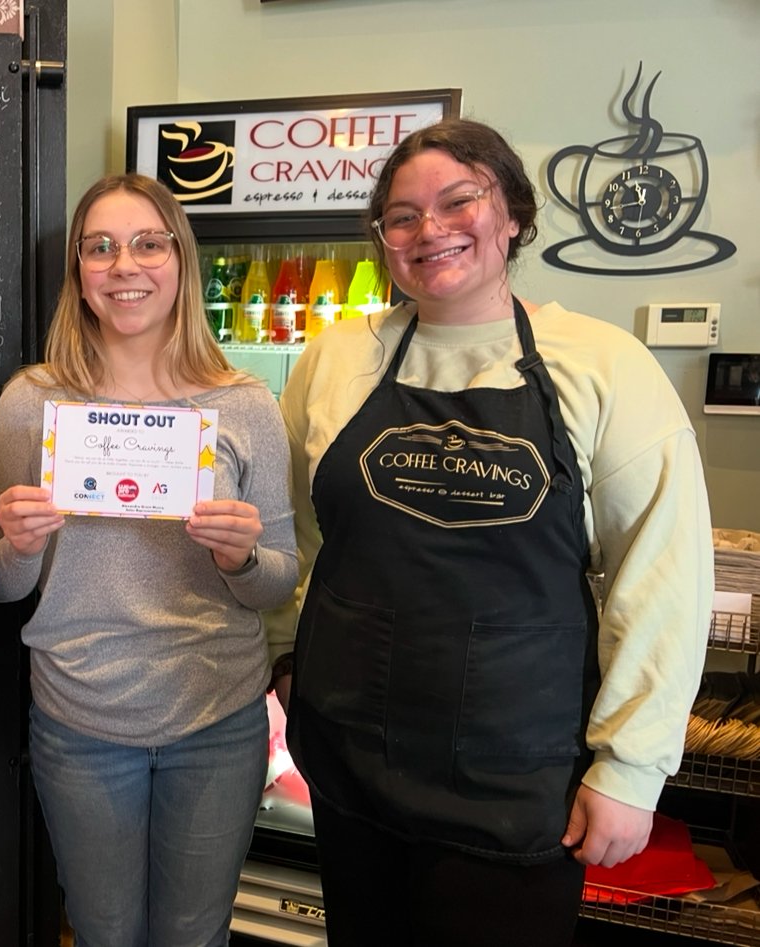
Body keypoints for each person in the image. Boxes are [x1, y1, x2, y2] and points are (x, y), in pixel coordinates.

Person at [267, 118, 714, 946]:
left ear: (512, 213)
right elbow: (295, 529)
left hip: (516, 774)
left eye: (458, 201)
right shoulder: (337, 358)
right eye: (402, 216)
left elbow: (664, 578)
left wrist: (630, 766)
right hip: (351, 760)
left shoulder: (604, 364)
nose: (429, 229)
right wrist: (286, 656)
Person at [0, 172, 298, 947]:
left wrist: (241, 558)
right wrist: (18, 545)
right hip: (80, 717)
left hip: (216, 715)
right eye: (101, 247)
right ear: (80, 271)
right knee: (103, 931)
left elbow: (280, 579)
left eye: (148, 243)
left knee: (196, 933)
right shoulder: (31, 401)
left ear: (180, 260)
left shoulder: (243, 403)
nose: (124, 264)